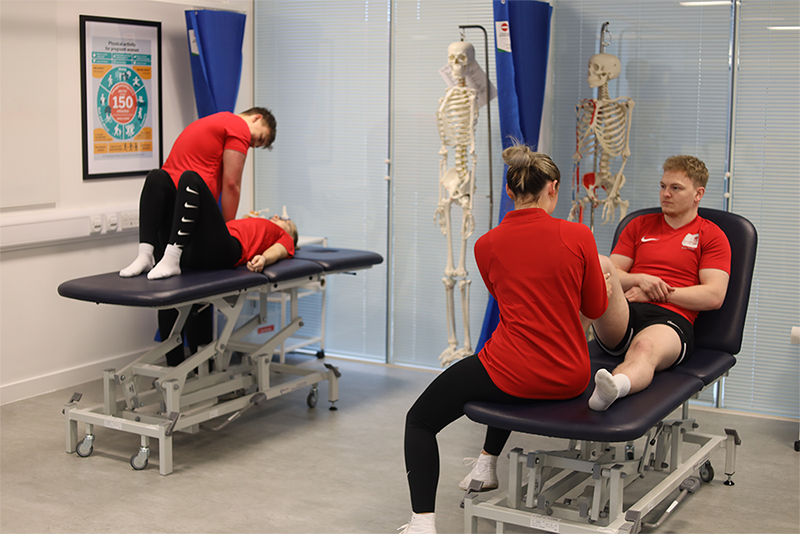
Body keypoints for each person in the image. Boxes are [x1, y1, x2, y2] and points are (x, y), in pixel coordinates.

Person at [400, 145, 610, 534]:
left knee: (420, 420)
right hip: (570, 376)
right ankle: (486, 464)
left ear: (510, 192)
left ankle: (422, 523)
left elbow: (508, 300)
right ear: (553, 188)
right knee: (503, 362)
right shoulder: (579, 235)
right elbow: (596, 308)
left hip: (511, 374)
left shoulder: (486, 245)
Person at [119, 107, 276, 365]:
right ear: (256, 118)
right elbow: (231, 184)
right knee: (186, 179)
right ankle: (199, 364)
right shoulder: (237, 126)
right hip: (191, 220)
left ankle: (174, 367)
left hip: (170, 220)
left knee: (156, 177)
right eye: (259, 139)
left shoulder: (208, 122)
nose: (253, 144)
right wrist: (228, 229)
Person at [587, 155, 732, 412]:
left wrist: (658, 294)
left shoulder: (711, 236)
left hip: (672, 320)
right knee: (599, 263)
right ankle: (557, 354)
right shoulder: (639, 225)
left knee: (644, 348)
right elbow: (613, 273)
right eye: (663, 186)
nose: (666, 194)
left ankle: (613, 387)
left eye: (676, 188)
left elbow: (714, 295)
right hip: (625, 312)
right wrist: (640, 279)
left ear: (698, 194)